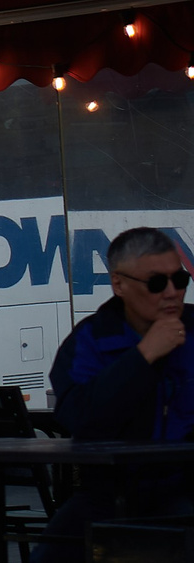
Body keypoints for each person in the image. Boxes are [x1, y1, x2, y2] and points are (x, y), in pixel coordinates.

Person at [42, 226, 194, 559]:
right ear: (119, 284)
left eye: (179, 280)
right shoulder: (89, 340)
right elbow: (81, 419)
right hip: (109, 493)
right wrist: (143, 357)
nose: (171, 292)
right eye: (156, 283)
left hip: (184, 487)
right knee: (53, 551)